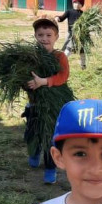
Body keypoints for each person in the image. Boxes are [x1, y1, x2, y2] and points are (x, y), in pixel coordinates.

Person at [24, 18, 71, 184]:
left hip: (53, 107)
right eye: (40, 35)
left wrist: (43, 82)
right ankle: (34, 152)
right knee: (32, 132)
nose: (44, 38)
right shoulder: (31, 57)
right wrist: (28, 84)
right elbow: (23, 76)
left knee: (50, 137)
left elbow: (63, 76)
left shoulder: (60, 57)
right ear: (35, 36)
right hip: (34, 104)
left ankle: (50, 169)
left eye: (49, 35)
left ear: (56, 37)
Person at [55, 0, 86, 70]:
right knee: (68, 49)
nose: (77, 4)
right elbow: (62, 18)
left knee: (82, 51)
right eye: (75, 2)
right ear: (72, 3)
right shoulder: (69, 12)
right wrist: (58, 18)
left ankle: (83, 65)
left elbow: (86, 24)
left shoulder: (83, 14)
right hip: (71, 34)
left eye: (79, 3)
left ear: (82, 4)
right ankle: (61, 64)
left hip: (80, 35)